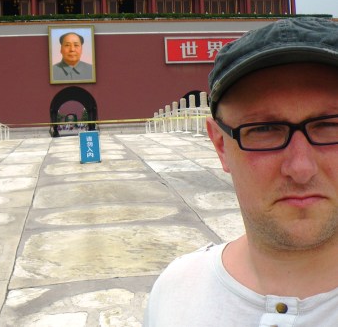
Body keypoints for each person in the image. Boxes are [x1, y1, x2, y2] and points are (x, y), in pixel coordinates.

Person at [144, 17, 338, 326]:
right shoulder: (174, 295)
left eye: (330, 125)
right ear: (221, 145)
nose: (300, 168)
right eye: (263, 129)